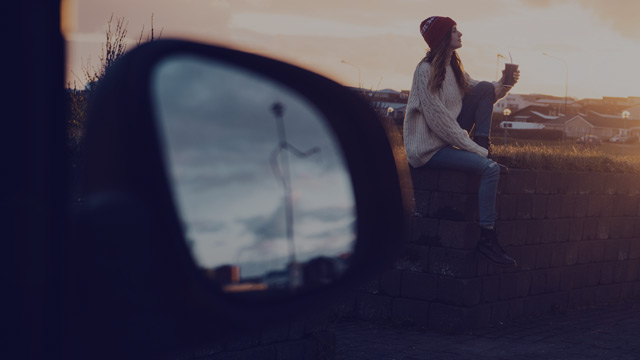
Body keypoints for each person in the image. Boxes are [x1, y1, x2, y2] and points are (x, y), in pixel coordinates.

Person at [403, 16, 519, 266]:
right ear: (443, 37)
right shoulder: (424, 71)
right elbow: (439, 121)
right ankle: (487, 238)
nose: (460, 34)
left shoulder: (454, 67)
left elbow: (484, 94)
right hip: (428, 150)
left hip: (446, 141)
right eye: (454, 31)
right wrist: (475, 150)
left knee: (486, 86)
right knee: (489, 169)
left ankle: (484, 146)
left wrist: (506, 83)